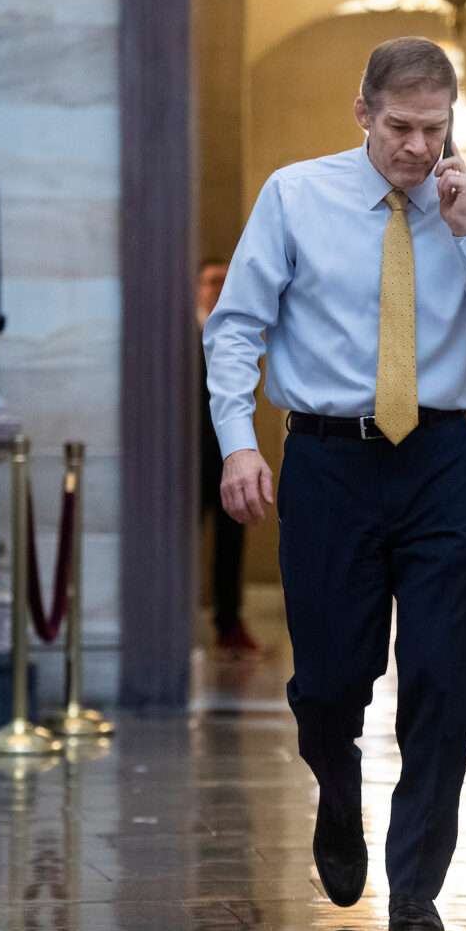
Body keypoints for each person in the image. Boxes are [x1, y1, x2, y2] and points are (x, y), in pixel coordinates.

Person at [204, 37, 466, 931]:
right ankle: (337, 785)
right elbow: (237, 327)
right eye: (399, 127)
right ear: (363, 113)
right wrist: (239, 446)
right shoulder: (294, 196)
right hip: (327, 463)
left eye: (433, 130)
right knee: (326, 679)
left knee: (442, 677)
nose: (415, 148)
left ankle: (415, 885)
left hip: (438, 462)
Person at [197, 258, 259, 656]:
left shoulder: (235, 339)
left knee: (230, 541)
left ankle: (229, 621)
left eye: (225, 281)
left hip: (226, 457)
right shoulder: (180, 338)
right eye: (211, 281)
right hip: (186, 462)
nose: (218, 288)